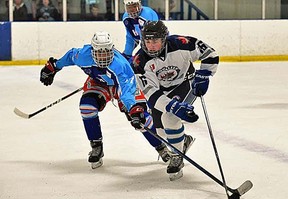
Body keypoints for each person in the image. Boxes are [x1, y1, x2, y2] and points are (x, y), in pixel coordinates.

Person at [39, 31, 175, 169]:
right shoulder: (83, 56)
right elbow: (70, 56)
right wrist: (54, 66)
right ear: (92, 51)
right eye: (99, 52)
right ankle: (96, 146)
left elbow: (126, 91)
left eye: (106, 52)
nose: (103, 56)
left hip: (120, 87)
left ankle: (161, 146)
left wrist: (133, 108)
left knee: (141, 119)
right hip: (99, 83)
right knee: (87, 108)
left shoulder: (120, 66)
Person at [131, 21, 219, 181]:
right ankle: (183, 141)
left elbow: (210, 54)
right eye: (147, 41)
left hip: (186, 83)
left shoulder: (182, 44)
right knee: (162, 134)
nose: (150, 46)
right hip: (160, 92)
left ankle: (176, 156)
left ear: (164, 39)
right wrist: (172, 105)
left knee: (170, 118)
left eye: (155, 41)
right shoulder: (139, 61)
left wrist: (204, 74)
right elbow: (150, 92)